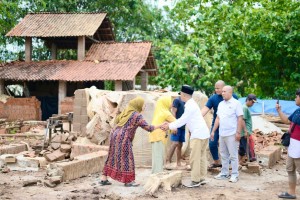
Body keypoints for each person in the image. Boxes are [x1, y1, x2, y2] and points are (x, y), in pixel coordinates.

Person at [100, 96, 164, 187]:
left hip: (114, 135)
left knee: (111, 156)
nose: (144, 107)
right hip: (123, 137)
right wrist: (160, 126)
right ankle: (128, 181)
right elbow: (148, 128)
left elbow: (117, 121)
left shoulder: (126, 112)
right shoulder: (136, 115)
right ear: (138, 105)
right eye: (143, 105)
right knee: (127, 158)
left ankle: (103, 178)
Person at [162, 85, 210, 188]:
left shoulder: (189, 105)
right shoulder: (192, 104)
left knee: (194, 158)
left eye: (181, 95)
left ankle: (195, 180)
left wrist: (169, 125)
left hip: (198, 135)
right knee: (201, 157)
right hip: (203, 133)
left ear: (184, 95)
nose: (180, 97)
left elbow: (183, 120)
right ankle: (201, 178)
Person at [201, 80, 238, 168]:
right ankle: (216, 161)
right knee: (212, 144)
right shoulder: (213, 98)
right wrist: (196, 118)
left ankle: (230, 165)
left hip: (230, 126)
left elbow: (238, 113)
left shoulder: (234, 98)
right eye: (215, 88)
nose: (216, 90)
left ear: (224, 88)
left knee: (230, 145)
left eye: (218, 88)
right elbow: (205, 109)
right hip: (217, 125)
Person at [211, 85, 243, 183]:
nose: (222, 93)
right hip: (222, 133)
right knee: (223, 154)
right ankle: (224, 173)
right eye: (222, 91)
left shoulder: (236, 103)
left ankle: (234, 174)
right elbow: (218, 118)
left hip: (232, 133)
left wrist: (238, 132)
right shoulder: (221, 104)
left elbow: (240, 118)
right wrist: (213, 131)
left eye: (224, 91)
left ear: (230, 92)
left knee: (233, 155)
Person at [277, 89, 300, 199]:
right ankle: (291, 193)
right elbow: (286, 120)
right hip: (293, 145)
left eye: (297, 96)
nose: (295, 98)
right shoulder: (297, 111)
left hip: (299, 146)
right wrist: (279, 111)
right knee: (290, 169)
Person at [149, 96, 176, 174]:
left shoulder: (158, 111)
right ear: (165, 103)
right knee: (159, 156)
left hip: (153, 135)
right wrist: (171, 126)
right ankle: (158, 174)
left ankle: (154, 173)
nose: (172, 103)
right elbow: (176, 123)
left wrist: (168, 126)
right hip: (159, 136)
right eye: (170, 101)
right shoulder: (166, 112)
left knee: (155, 155)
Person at [166, 96, 186, 168]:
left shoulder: (186, 101)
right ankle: (167, 161)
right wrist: (174, 125)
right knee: (174, 143)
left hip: (183, 127)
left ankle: (178, 162)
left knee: (180, 145)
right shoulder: (177, 100)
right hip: (177, 126)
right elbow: (173, 112)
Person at [239, 94, 257, 165]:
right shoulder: (245, 108)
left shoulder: (244, 107)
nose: (253, 104)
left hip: (243, 132)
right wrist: (246, 131)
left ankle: (241, 160)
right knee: (247, 147)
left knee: (242, 147)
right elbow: (243, 120)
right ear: (248, 100)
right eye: (252, 102)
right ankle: (250, 161)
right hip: (245, 132)